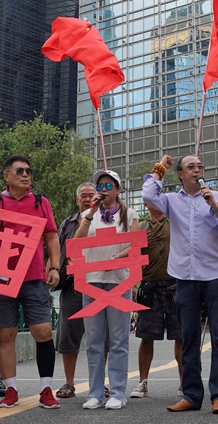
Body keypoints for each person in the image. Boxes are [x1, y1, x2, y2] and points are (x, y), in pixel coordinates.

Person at [143, 153, 218, 414]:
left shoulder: (217, 198)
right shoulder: (172, 201)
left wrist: (216, 208)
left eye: (200, 166)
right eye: (191, 167)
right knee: (189, 338)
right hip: (184, 276)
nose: (197, 170)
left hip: (215, 274)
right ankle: (192, 395)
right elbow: (149, 196)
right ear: (182, 175)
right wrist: (160, 167)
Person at [0, 155, 60, 409]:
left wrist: (55, 266)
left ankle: (47, 389)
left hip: (34, 278)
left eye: (29, 170)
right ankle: (11, 389)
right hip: (2, 279)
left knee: (43, 332)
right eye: (20, 171)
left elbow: (51, 236)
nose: (26, 175)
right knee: (5, 334)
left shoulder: (41, 203)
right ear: (7, 176)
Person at [74, 169, 140, 410]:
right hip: (91, 281)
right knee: (94, 341)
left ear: (118, 190)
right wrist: (90, 214)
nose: (103, 190)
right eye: (100, 185)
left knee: (118, 341)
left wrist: (115, 258)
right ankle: (95, 393)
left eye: (109, 186)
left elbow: (135, 245)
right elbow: (77, 243)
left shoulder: (129, 214)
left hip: (119, 281)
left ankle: (118, 392)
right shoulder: (86, 214)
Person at [134, 200, 184, 399]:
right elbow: (133, 254)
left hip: (175, 285)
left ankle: (184, 381)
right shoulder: (141, 226)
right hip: (148, 286)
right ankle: (142, 382)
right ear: (146, 204)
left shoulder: (175, 222)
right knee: (146, 337)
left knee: (180, 336)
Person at [54, 183, 97, 399]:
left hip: (99, 283)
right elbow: (60, 250)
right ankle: (69, 384)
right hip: (72, 285)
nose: (88, 198)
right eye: (84, 196)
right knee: (68, 337)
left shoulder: (105, 219)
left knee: (100, 336)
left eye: (92, 195)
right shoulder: (67, 223)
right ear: (77, 200)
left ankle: (99, 382)